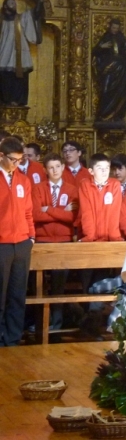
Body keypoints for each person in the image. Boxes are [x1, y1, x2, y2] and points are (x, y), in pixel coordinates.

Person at [32, 153, 78, 328]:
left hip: (64, 240)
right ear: (45, 170)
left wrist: (48, 209)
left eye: (58, 166)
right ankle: (39, 324)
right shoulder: (37, 188)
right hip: (42, 240)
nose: (55, 170)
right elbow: (36, 215)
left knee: (59, 285)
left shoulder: (72, 189)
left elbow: (72, 217)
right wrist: (60, 212)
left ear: (63, 167)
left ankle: (56, 323)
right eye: (51, 167)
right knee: (38, 286)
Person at [0, 136, 34, 346]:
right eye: (13, 160)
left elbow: (28, 211)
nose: (17, 164)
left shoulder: (23, 179)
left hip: (21, 243)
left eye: (20, 160)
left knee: (17, 294)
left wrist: (31, 236)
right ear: (1, 156)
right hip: (1, 244)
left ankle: (12, 338)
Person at [0, 0, 44, 106]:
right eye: (11, 3)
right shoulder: (1, 21)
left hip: (19, 56)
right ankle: (5, 101)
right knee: (4, 78)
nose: (13, 5)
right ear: (5, 6)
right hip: (3, 54)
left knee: (19, 78)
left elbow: (34, 14)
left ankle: (17, 101)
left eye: (14, 3)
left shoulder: (22, 18)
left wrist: (40, 2)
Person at [92, 19, 126, 124]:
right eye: (113, 28)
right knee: (106, 90)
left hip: (120, 70)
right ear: (110, 27)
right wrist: (101, 47)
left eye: (117, 28)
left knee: (121, 92)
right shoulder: (105, 38)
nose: (115, 30)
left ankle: (117, 115)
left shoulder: (122, 39)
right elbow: (95, 52)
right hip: (108, 69)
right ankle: (104, 115)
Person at [78, 153, 122, 242]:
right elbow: (86, 212)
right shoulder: (85, 185)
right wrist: (89, 237)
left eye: (106, 168)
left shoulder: (115, 185)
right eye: (100, 168)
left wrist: (114, 238)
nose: (104, 171)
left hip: (111, 237)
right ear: (91, 171)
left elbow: (115, 213)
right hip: (91, 237)